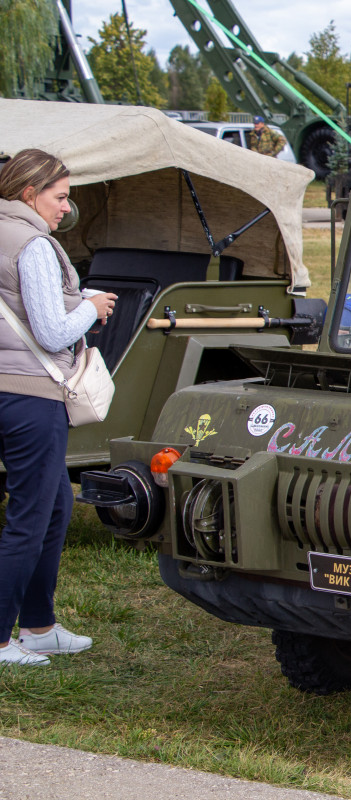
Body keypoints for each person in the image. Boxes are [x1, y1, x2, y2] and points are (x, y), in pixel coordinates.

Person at [0, 149, 117, 667]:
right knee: (31, 516)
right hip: (32, 393)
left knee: (54, 507)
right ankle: (4, 638)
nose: (66, 209)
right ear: (29, 193)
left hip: (10, 388)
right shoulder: (34, 245)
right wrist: (90, 308)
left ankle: (39, 625)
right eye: (60, 197)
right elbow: (49, 333)